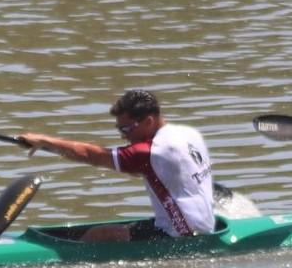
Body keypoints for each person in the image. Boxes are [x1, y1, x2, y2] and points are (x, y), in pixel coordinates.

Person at [16, 89, 214, 243]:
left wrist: (43, 140)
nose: (123, 135)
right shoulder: (188, 134)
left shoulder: (151, 151)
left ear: (148, 121)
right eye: (119, 129)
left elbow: (92, 155)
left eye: (126, 129)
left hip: (181, 236)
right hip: (205, 224)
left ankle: (69, 259)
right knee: (121, 230)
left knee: (99, 235)